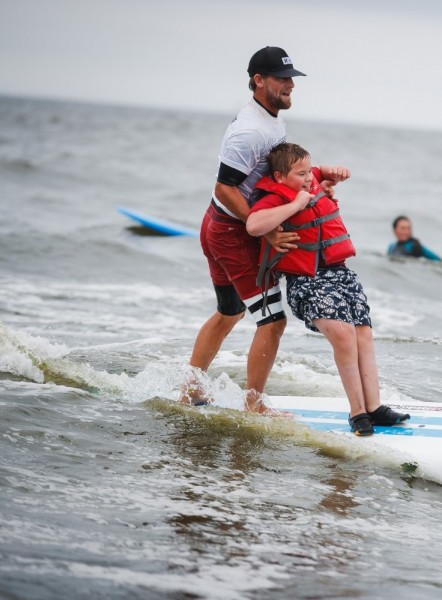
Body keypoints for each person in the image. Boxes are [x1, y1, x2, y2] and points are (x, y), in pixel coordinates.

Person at [246, 142, 411, 436]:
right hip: (306, 282)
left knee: (363, 334)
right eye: (301, 174)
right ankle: (357, 412)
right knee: (344, 336)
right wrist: (295, 205)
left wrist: (334, 171)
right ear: (281, 178)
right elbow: (253, 225)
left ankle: (375, 408)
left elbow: (322, 171)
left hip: (340, 274)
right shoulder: (275, 198)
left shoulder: (311, 180)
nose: (308, 178)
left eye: (310, 171)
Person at [182, 46, 305, 413]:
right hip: (231, 233)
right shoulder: (250, 130)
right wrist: (263, 229)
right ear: (258, 80)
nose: (289, 86)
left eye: (291, 79)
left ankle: (190, 390)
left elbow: (269, 175)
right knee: (273, 321)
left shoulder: (269, 119)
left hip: (218, 225)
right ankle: (255, 405)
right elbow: (225, 187)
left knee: (230, 311)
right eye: (282, 79)